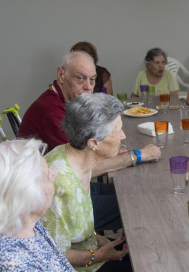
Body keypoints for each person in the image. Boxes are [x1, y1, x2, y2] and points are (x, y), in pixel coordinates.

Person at [18, 51, 161, 177]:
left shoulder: (68, 102)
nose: (88, 87)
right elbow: (84, 164)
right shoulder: (50, 110)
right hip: (43, 196)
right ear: (61, 75)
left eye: (92, 79)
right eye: (80, 78)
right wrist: (137, 155)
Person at [43, 93, 133, 271]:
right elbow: (56, 254)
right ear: (93, 143)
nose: (123, 135)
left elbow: (75, 223)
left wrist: (98, 240)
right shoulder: (60, 186)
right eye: (117, 131)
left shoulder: (75, 156)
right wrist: (100, 255)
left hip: (89, 249)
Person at [0, 139, 74, 271]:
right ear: (27, 197)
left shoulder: (27, 221)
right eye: (46, 175)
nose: (54, 174)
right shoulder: (16, 264)